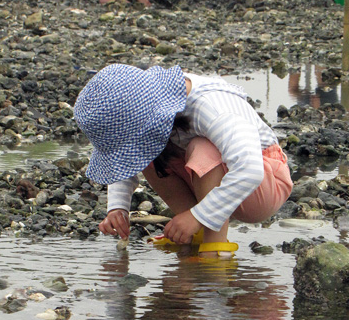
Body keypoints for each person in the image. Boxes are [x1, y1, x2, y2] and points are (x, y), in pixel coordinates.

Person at [73, 64, 293, 259]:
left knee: (203, 147)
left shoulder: (214, 108)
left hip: (262, 186)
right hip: (220, 182)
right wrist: (118, 208)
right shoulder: (151, 101)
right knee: (149, 155)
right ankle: (194, 234)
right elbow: (127, 157)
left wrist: (198, 215)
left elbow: (250, 170)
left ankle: (215, 246)